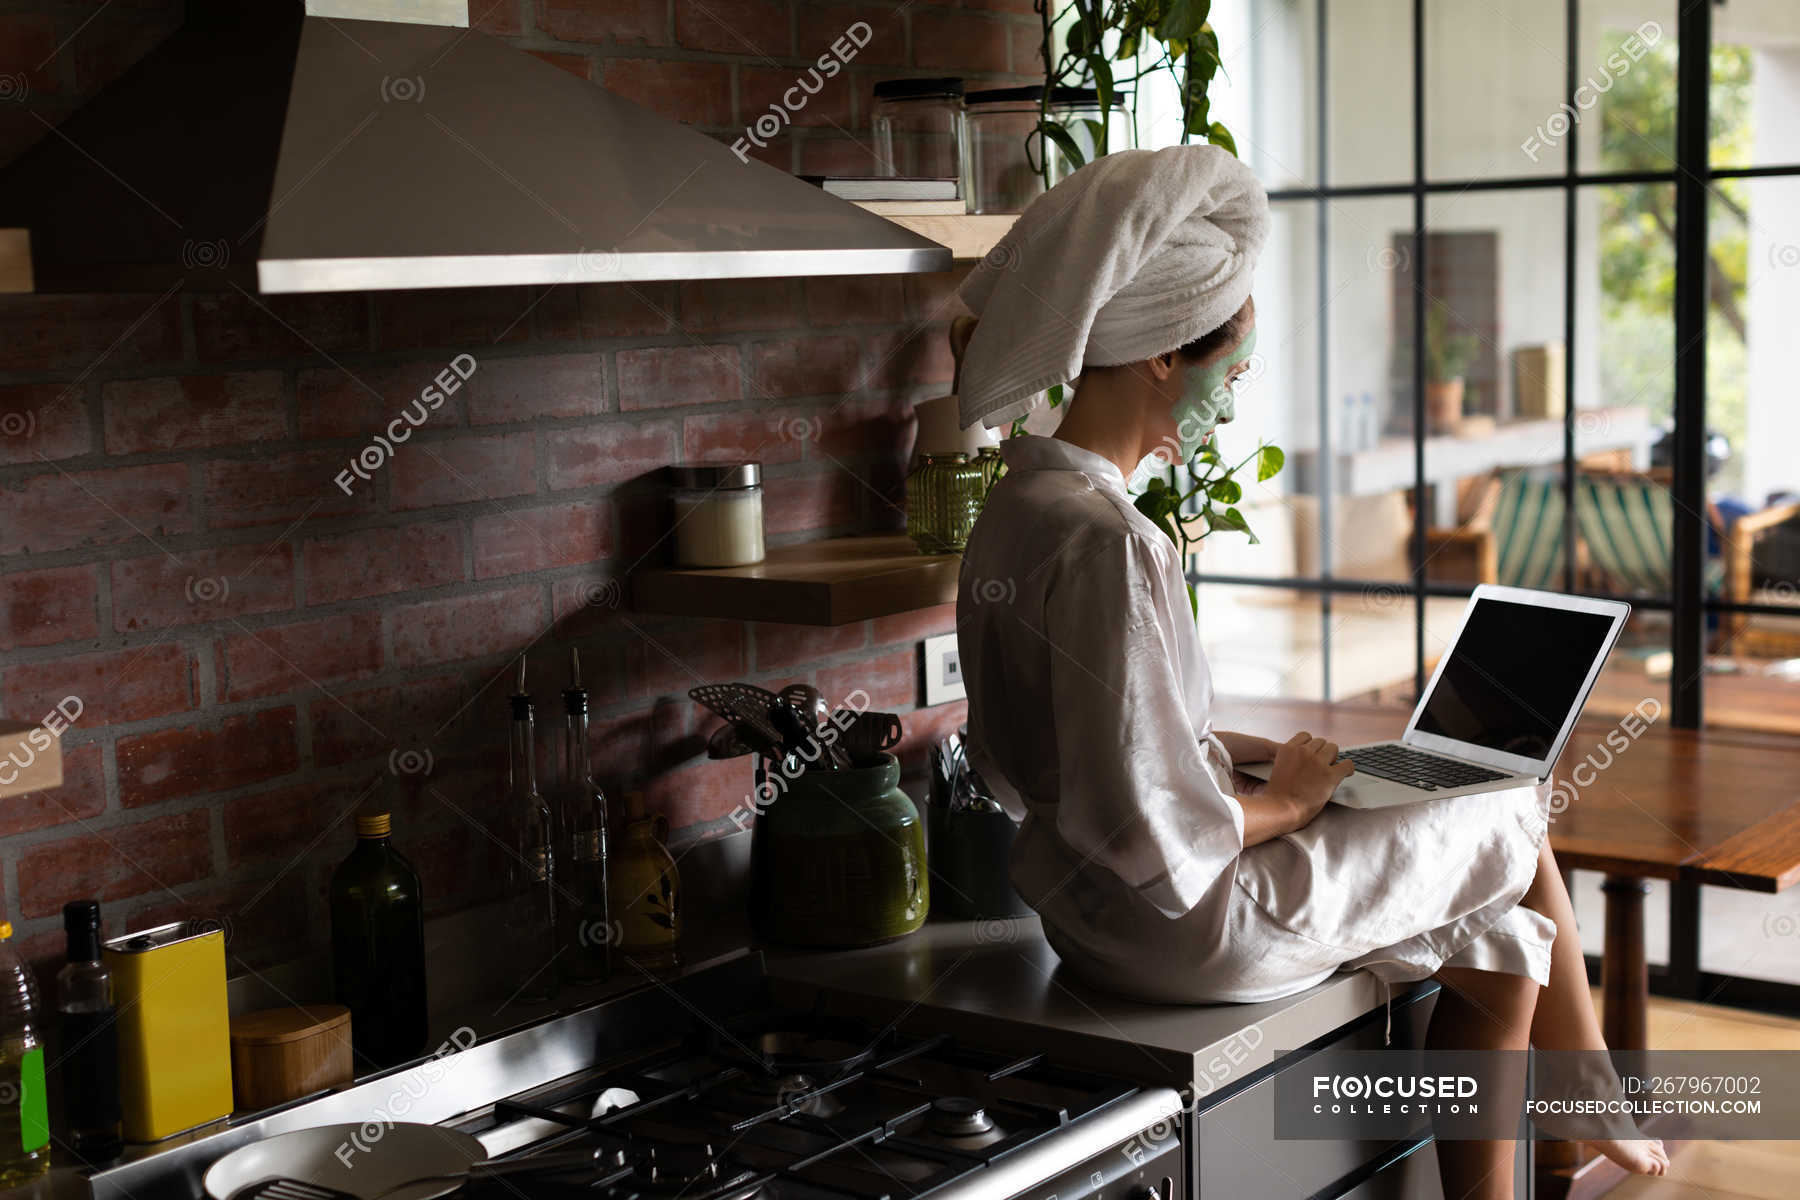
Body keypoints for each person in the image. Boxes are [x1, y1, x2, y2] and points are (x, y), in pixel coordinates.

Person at [952, 146, 1668, 1200]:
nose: (1233, 401)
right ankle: (1595, 1098)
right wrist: (1286, 803)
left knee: (1504, 938)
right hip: (1186, 930)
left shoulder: (1017, 508)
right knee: (1512, 798)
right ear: (1161, 358)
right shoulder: (1114, 542)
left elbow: (1081, 752)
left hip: (1085, 918)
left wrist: (1240, 758)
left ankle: (1563, 1127)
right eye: (1229, 371)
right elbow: (1152, 820)